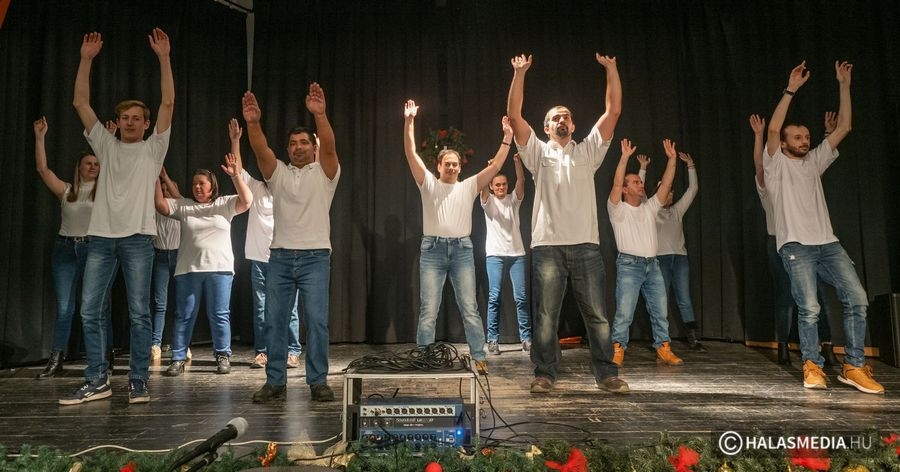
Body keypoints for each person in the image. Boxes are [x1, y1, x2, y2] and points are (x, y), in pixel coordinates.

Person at [59, 28, 174, 406]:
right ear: (118, 121)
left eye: (136, 118)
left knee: (140, 314)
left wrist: (164, 58)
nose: (130, 122)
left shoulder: (153, 149)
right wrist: (85, 60)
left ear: (145, 124)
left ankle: (138, 380)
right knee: (89, 310)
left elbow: (168, 102)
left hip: (138, 239)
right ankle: (97, 380)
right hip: (101, 239)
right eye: (124, 117)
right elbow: (80, 102)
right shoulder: (105, 145)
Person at [506, 53, 628, 394]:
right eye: (555, 117)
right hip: (547, 246)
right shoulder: (537, 153)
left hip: (586, 245)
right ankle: (544, 373)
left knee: (598, 316)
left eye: (567, 116)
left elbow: (613, 111)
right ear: (546, 127)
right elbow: (514, 116)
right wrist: (519, 73)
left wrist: (612, 69)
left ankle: (607, 374)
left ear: (573, 126)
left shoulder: (588, 151)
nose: (562, 119)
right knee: (546, 316)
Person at [764, 60, 883, 394]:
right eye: (798, 137)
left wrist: (844, 85)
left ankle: (854, 366)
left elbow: (844, 127)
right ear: (784, 144)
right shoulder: (775, 166)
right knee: (810, 307)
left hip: (828, 244)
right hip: (796, 246)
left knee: (857, 298)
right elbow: (772, 130)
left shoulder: (814, 161)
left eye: (807, 137)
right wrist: (791, 89)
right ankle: (812, 365)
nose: (805, 141)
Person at [242, 83, 339, 403]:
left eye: (304, 142)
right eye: (293, 143)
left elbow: (330, 148)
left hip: (315, 258)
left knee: (317, 322)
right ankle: (275, 381)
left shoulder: (325, 173)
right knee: (274, 322)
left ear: (313, 147)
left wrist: (320, 115)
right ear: (287, 150)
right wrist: (253, 123)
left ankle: (318, 381)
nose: (298, 147)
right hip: (281, 257)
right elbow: (261, 150)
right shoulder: (279, 173)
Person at [403, 100, 512, 374]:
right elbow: (411, 153)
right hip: (433, 250)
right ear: (438, 166)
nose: (452, 167)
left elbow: (496, 166)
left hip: (462, 250)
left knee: (470, 308)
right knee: (429, 309)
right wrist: (409, 121)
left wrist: (507, 138)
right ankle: (424, 358)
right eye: (447, 164)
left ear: (460, 168)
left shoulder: (469, 186)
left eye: (455, 164)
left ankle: (478, 357)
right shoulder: (428, 184)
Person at [750, 113, 840, 367]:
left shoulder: (795, 175)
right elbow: (760, 166)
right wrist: (759, 136)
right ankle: (783, 347)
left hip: (805, 242)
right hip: (779, 243)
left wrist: (827, 135)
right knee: (786, 297)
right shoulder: (768, 183)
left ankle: (827, 346)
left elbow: (812, 171)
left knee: (817, 295)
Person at [156, 154, 251, 377]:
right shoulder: (185, 206)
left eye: (202, 183)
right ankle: (178, 358)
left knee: (219, 314)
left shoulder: (224, 204)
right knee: (184, 315)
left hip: (220, 269)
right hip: (188, 270)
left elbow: (247, 201)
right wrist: (154, 176)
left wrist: (236, 176)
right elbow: (160, 205)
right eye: (194, 184)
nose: (197, 187)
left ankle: (222, 355)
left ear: (212, 187)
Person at [33, 117, 114, 379]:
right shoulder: (67, 191)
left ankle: (105, 356)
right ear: (79, 167)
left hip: (95, 251)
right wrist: (40, 137)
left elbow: (116, 166)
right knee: (65, 308)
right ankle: (56, 360)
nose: (93, 167)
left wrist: (109, 141)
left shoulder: (105, 191)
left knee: (98, 307)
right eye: (88, 163)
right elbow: (43, 170)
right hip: (65, 250)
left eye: (96, 164)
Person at [228, 118, 303, 370]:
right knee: (261, 308)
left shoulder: (289, 188)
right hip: (260, 259)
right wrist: (235, 141)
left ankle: (292, 351)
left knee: (289, 308)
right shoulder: (257, 188)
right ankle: (263, 351)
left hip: (286, 257)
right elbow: (238, 170)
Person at [608, 138, 684, 367]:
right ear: (625, 189)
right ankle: (618, 348)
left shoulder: (650, 207)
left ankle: (663, 347)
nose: (641, 185)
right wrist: (624, 158)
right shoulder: (617, 209)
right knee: (625, 312)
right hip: (629, 265)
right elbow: (616, 183)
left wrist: (672, 160)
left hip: (653, 265)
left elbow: (666, 184)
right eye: (635, 182)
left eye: (641, 182)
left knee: (660, 311)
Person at [637, 152, 705, 351]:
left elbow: (693, 189)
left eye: (671, 192)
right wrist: (643, 168)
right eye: (666, 191)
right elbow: (640, 193)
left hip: (680, 259)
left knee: (684, 298)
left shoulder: (677, 211)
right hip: (660, 260)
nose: (670, 194)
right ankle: (661, 340)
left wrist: (691, 166)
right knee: (661, 298)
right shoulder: (650, 209)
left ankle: (693, 338)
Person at [480, 153, 531, 355]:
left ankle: (526, 339)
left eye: (503, 184)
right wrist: (490, 170)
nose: (501, 187)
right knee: (494, 297)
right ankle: (492, 340)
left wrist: (517, 163)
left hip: (517, 254)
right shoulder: (488, 201)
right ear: (492, 186)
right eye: (497, 185)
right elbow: (482, 186)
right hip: (495, 255)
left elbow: (522, 180)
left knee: (521, 298)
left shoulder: (513, 200)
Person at [150, 167, 182, 361]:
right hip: (160, 256)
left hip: (179, 256)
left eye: (169, 189)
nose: (166, 192)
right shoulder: (155, 208)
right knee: (160, 303)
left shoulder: (180, 207)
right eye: (163, 190)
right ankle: (156, 343)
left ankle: (181, 344)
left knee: (181, 303)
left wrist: (165, 177)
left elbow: (178, 197)